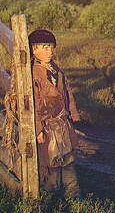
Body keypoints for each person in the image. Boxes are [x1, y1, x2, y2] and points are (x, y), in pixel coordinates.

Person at [28, 29, 81, 198]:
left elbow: (66, 92)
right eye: (45, 47)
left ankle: (73, 198)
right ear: (34, 49)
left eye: (51, 47)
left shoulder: (56, 70)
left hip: (62, 124)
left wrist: (73, 114)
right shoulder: (32, 74)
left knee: (68, 161)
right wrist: (37, 129)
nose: (49, 51)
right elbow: (32, 103)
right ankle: (52, 201)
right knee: (50, 164)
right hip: (47, 126)